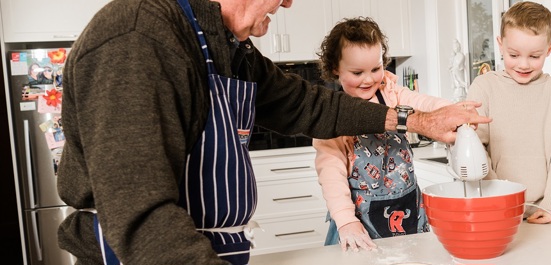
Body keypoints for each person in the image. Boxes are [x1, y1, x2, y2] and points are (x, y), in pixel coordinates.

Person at [56, 1, 491, 264]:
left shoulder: (230, 48)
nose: (286, 4)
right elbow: (142, 217)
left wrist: (416, 120)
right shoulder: (137, 37)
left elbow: (310, 106)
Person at [313, 17, 453, 252]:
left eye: (376, 69)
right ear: (336, 68)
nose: (369, 79)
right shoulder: (331, 117)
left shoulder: (391, 94)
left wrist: (450, 111)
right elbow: (331, 176)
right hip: (360, 220)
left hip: (407, 208)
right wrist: (346, 221)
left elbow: (423, 102)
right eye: (357, 72)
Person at [466, 1, 551, 225]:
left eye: (535, 56)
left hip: (540, 211)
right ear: (500, 44)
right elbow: (474, 146)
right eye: (514, 55)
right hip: (493, 209)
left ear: (550, 49)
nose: (524, 64)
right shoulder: (484, 87)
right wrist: (501, 196)